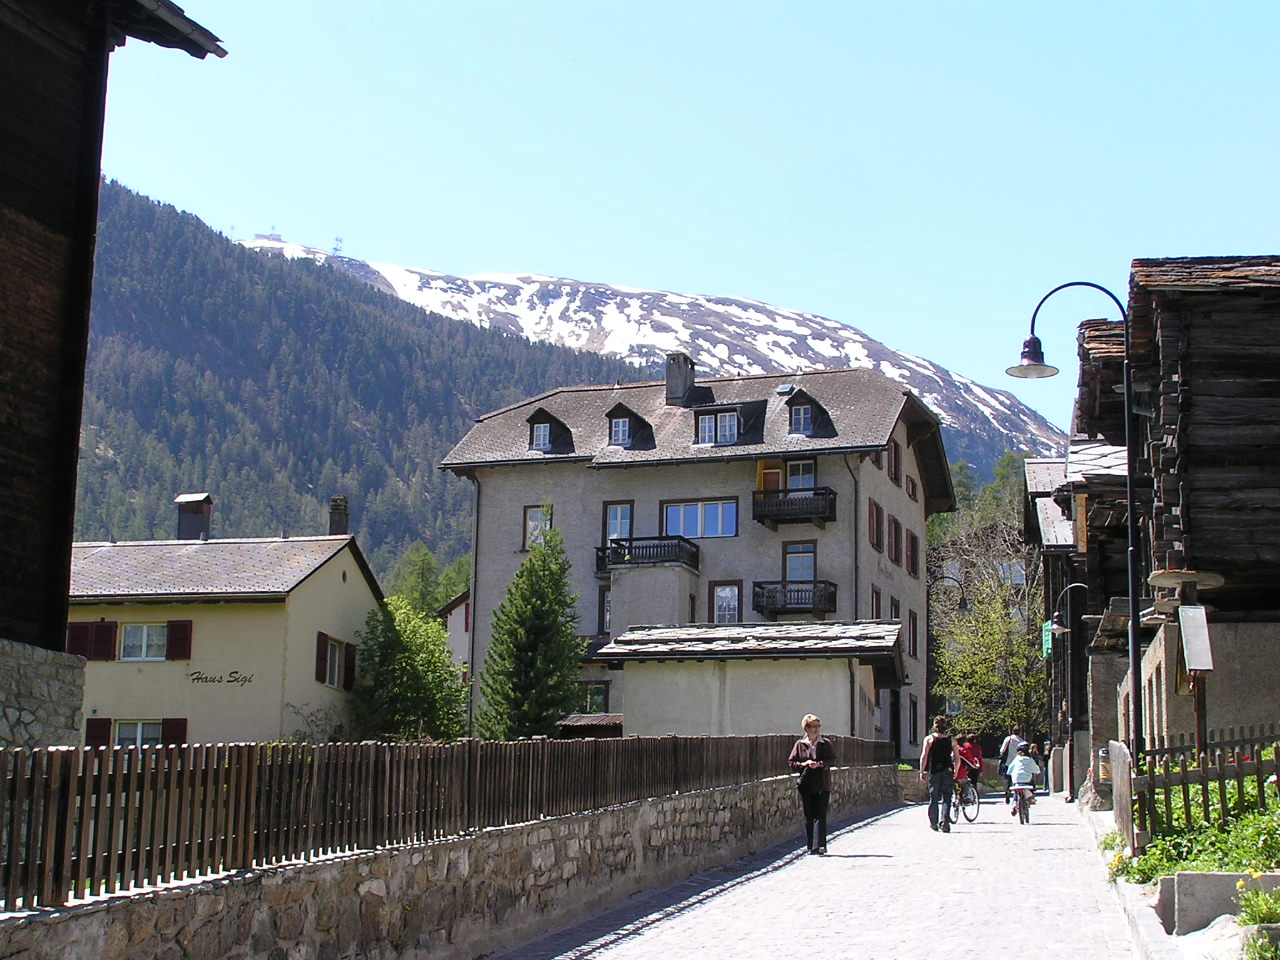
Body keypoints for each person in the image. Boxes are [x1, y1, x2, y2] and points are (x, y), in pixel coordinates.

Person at [788, 713, 835, 854]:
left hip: (822, 782)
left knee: (821, 813)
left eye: (818, 726)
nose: (816, 729)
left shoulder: (825, 743)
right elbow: (791, 763)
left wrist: (820, 764)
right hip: (806, 783)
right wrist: (804, 764)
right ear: (807, 728)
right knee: (809, 814)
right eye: (813, 726)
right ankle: (810, 845)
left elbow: (832, 760)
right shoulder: (800, 745)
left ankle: (820, 845)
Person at [919, 715, 955, 833]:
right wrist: (956, 770)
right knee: (947, 796)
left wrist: (922, 770)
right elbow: (957, 758)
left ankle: (934, 823)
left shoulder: (929, 739)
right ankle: (945, 823)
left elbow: (924, 755)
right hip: (947, 770)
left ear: (934, 725)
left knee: (934, 796)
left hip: (934, 770)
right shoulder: (951, 739)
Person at [1006, 742, 1040, 816]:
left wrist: (1010, 773)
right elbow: (1036, 770)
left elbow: (1009, 770)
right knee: (1030, 783)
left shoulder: (1016, 759)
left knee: (1016, 791)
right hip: (1027, 780)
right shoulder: (1030, 759)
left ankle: (1015, 804)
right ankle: (1030, 797)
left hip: (1016, 779)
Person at [998, 725, 1026, 803]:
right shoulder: (1022, 741)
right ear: (1019, 732)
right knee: (1017, 780)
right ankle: (1016, 796)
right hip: (1018, 763)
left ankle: (1007, 792)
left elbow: (1002, 750)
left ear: (1012, 731)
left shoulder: (1008, 739)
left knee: (1007, 779)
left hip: (1008, 762)